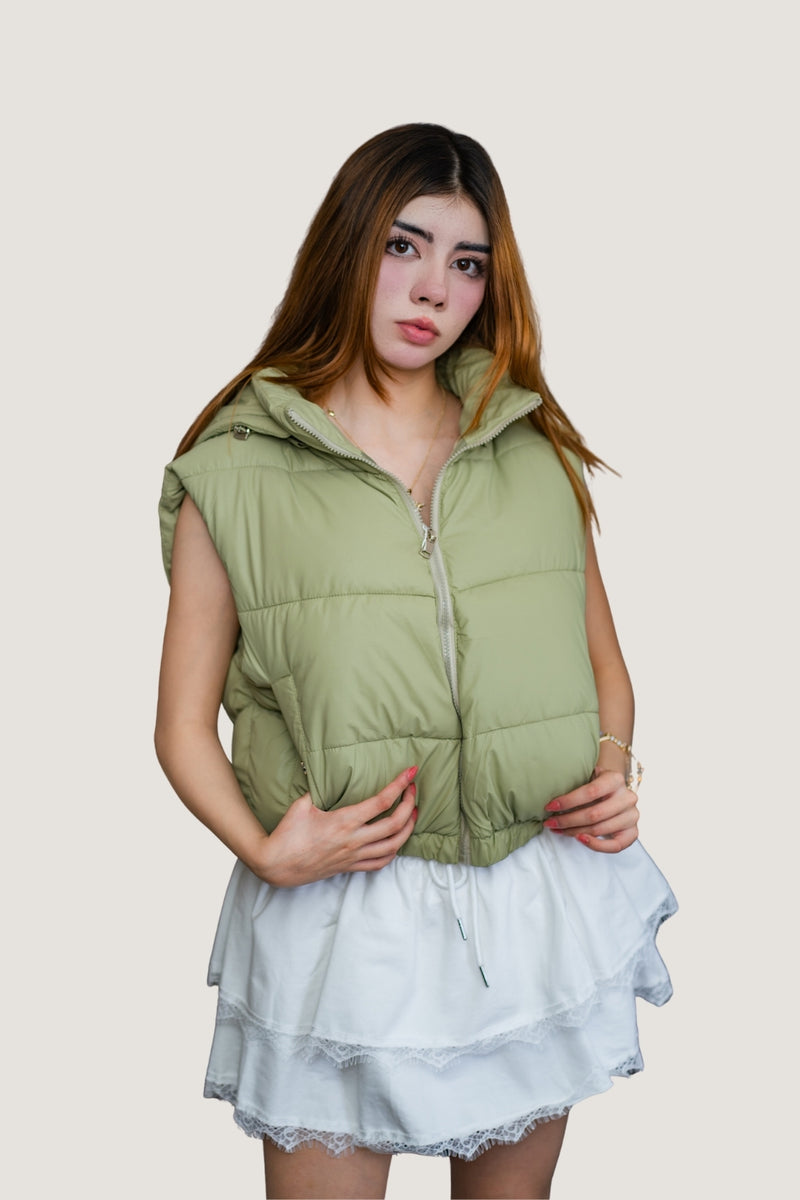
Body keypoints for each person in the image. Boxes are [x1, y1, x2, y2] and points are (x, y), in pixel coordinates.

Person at [155, 123, 676, 1200]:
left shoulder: (529, 446)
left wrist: (614, 769)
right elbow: (179, 726)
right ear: (346, 247)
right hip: (344, 914)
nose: (433, 287)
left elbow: (603, 668)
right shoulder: (236, 470)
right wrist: (267, 852)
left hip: (528, 895)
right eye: (404, 245)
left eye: (466, 262)